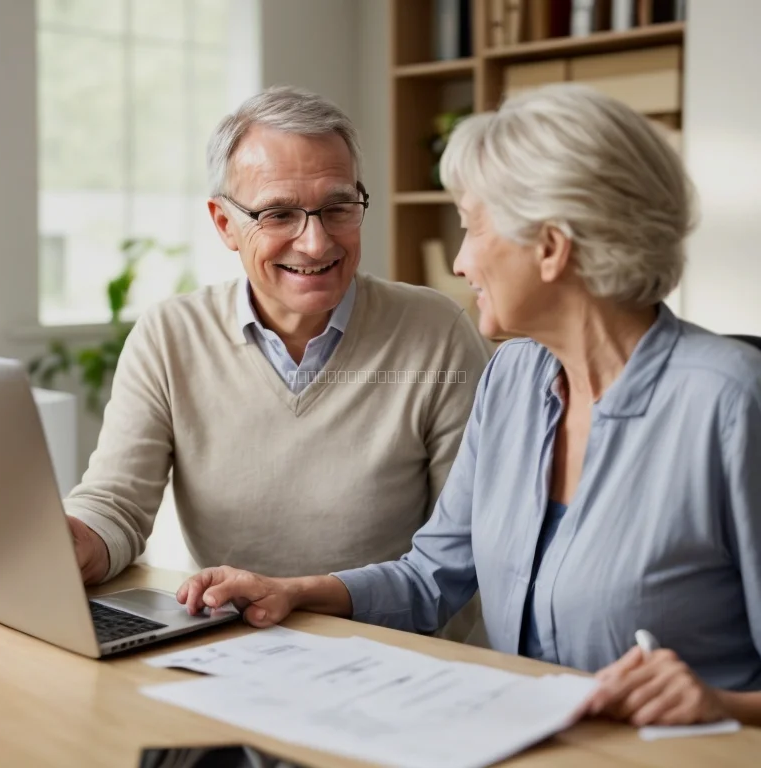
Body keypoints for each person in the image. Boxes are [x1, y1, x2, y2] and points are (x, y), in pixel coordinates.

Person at [177, 83, 761, 727]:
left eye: (472, 228)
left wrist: (721, 703)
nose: (459, 263)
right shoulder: (512, 379)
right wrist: (292, 591)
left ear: (550, 246)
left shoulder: (730, 405)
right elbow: (433, 577)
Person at [64, 85, 490, 644]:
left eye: (338, 207)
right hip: (227, 649)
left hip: (393, 653)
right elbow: (115, 504)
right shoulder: (170, 335)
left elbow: (461, 558)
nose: (315, 243)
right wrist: (75, 542)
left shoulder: (435, 333)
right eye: (278, 214)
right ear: (224, 225)